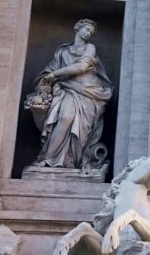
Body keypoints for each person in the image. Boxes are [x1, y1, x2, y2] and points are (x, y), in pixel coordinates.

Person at [26, 19, 113, 172]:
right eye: (86, 29)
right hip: (67, 89)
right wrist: (45, 80)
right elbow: (47, 71)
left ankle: (72, 160)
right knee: (65, 117)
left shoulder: (90, 48)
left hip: (88, 92)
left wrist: (54, 74)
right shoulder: (63, 51)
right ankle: (48, 158)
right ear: (77, 28)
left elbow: (82, 66)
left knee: (79, 126)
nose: (88, 33)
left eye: (91, 32)